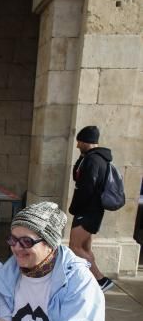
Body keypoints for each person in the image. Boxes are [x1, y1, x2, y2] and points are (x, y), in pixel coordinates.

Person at [68, 125, 114, 292]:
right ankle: (93, 279)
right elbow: (77, 176)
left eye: (79, 141)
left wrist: (76, 207)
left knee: (75, 247)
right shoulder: (93, 157)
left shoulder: (94, 160)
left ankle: (101, 279)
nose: (78, 144)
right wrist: (81, 157)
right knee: (85, 248)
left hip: (87, 211)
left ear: (86, 141)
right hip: (90, 211)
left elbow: (87, 187)